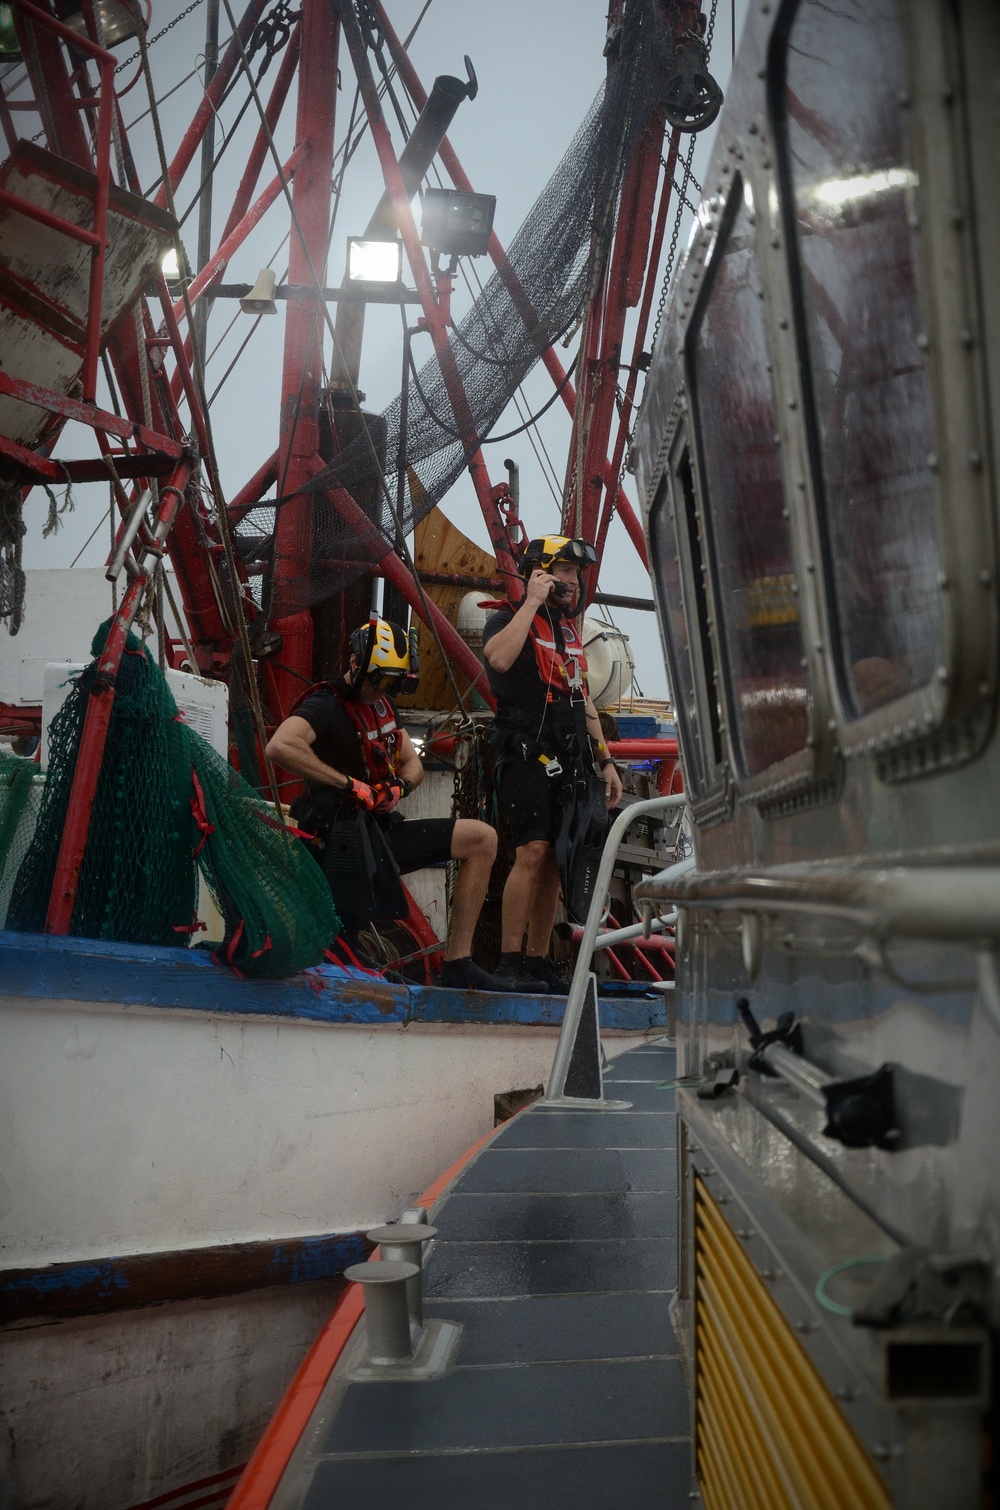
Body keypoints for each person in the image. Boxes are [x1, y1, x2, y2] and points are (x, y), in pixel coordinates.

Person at [265, 617, 516, 992]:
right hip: (334, 846)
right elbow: (280, 746)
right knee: (339, 954)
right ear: (355, 663)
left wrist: (398, 788)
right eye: (381, 681)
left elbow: (411, 762)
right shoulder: (325, 704)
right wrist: (349, 785)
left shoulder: (382, 705)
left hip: (379, 834)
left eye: (397, 684)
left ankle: (458, 963)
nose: (386, 691)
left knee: (481, 838)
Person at [483, 536, 623, 993]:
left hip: (571, 760)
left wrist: (606, 761)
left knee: (556, 862)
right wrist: (531, 602)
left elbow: (584, 702)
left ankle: (538, 960)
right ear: (538, 573)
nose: (571, 582)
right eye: (562, 572)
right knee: (533, 852)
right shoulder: (507, 619)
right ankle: (508, 963)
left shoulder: (569, 635)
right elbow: (499, 659)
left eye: (575, 575)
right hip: (526, 754)